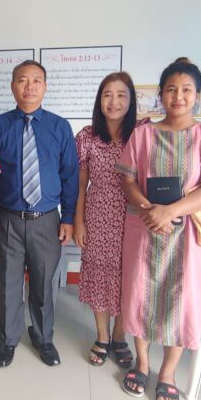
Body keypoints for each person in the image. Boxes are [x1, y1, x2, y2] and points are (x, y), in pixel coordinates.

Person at [116, 57, 201, 400]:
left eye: (186, 90)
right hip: (144, 228)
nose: (178, 96)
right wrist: (149, 209)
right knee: (138, 295)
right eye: (171, 89)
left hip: (188, 236)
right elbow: (127, 179)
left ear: (197, 95)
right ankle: (142, 364)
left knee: (182, 301)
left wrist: (169, 211)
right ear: (161, 94)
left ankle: (167, 374)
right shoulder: (143, 134)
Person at [0, 59, 79, 367]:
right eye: (23, 80)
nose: (29, 86)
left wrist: (68, 218)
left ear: (45, 86)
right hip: (8, 219)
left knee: (44, 283)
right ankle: (8, 339)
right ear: (13, 86)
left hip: (47, 220)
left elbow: (70, 175)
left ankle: (43, 337)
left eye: (36, 80)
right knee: (9, 283)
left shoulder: (59, 127)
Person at [74, 72, 138, 368]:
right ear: (99, 100)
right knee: (99, 275)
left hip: (132, 216)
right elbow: (80, 184)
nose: (114, 101)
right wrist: (79, 221)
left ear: (131, 100)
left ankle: (120, 335)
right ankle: (102, 335)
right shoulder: (87, 136)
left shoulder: (141, 133)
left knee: (129, 276)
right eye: (107, 95)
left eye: (121, 95)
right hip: (97, 214)